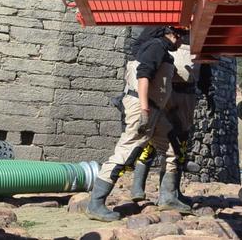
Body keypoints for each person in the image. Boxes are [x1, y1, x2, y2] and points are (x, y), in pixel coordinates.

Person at [87, 25, 185, 222]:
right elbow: (143, 74)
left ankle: (168, 197)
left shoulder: (161, 50)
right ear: (172, 34)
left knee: (172, 148)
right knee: (127, 151)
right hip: (143, 108)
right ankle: (95, 203)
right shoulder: (156, 46)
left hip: (155, 111)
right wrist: (143, 108)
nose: (182, 42)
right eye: (182, 37)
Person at [129, 38, 213, 211]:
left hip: (187, 93)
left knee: (180, 141)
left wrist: (207, 91)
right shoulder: (161, 36)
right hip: (166, 91)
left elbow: (205, 67)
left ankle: (171, 192)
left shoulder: (200, 36)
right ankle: (137, 187)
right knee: (153, 138)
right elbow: (140, 51)